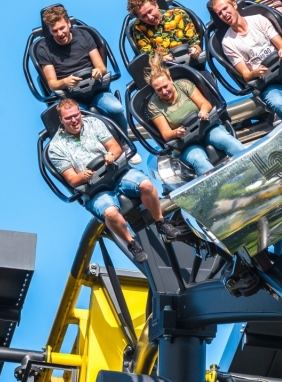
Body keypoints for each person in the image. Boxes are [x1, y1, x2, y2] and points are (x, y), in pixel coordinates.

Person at [47, 99, 182, 265]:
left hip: (117, 173)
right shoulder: (56, 147)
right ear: (61, 120)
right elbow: (72, 179)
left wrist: (111, 155)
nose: (74, 120)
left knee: (146, 184)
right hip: (95, 188)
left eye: (76, 115)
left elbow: (115, 147)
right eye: (68, 118)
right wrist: (85, 175)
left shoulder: (94, 123)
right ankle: (132, 244)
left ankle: (161, 221)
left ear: (80, 113)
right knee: (110, 212)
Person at [145, 56, 246, 176]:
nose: (164, 92)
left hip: (206, 128)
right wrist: (177, 132)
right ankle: (221, 186)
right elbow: (166, 134)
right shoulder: (153, 105)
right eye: (159, 90)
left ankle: (250, 166)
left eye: (165, 86)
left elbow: (205, 104)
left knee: (226, 140)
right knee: (198, 159)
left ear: (171, 80)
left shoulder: (183, 85)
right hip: (186, 143)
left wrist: (203, 111)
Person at [36, 5, 128, 129]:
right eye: (54, 31)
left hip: (96, 89)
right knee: (82, 122)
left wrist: (98, 72)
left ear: (69, 23)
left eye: (62, 28)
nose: (60, 33)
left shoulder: (83, 35)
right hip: (70, 96)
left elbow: (101, 67)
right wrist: (65, 82)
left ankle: (124, 142)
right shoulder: (44, 48)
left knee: (115, 109)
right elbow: (52, 84)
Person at [127, 0, 202, 62]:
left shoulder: (179, 15)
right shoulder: (138, 27)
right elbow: (148, 57)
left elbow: (195, 43)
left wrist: (195, 50)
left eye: (150, 11)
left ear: (156, 5)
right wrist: (161, 59)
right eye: (144, 16)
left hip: (190, 61)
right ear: (139, 17)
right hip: (165, 69)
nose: (150, 17)